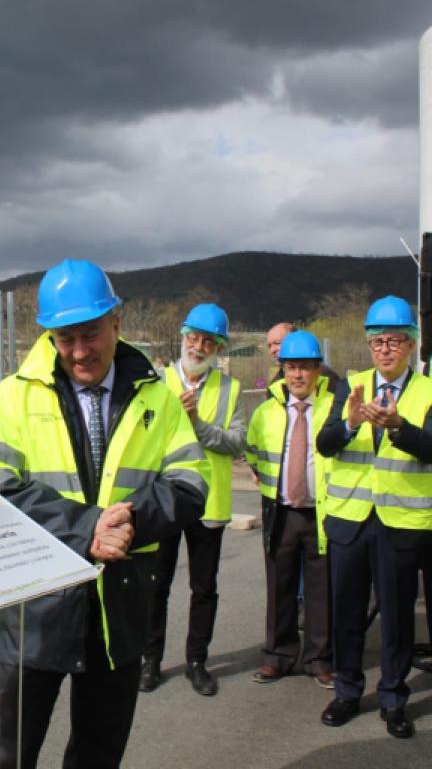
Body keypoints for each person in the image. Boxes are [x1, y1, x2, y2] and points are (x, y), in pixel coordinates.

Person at [0, 259, 210, 769]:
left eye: (90, 334)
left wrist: (129, 522)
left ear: (116, 322)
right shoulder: (13, 397)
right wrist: (85, 529)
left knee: (98, 755)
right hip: (31, 608)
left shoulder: (158, 399)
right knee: (7, 757)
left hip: (117, 606)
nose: (79, 351)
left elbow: (191, 483)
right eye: (65, 338)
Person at [317, 295, 432, 739]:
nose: (384, 349)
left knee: (398, 617)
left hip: (401, 524)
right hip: (351, 521)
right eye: (377, 341)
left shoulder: (426, 391)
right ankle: (347, 691)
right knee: (346, 611)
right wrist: (347, 425)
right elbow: (326, 444)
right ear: (368, 345)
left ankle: (393, 698)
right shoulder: (351, 384)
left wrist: (399, 428)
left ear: (411, 346)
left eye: (394, 341)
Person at [139, 303, 245, 696]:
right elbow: (141, 438)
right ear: (183, 337)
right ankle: (150, 661)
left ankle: (197, 661)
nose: (198, 346)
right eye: (193, 338)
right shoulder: (156, 382)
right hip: (163, 498)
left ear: (219, 349)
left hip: (209, 502)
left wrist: (198, 425)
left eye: (208, 342)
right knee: (156, 584)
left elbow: (237, 441)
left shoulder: (230, 389)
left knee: (204, 588)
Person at [246, 330, 334, 689]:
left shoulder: (333, 408)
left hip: (321, 513)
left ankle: (319, 659)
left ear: (318, 371)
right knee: (279, 587)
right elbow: (253, 453)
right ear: (282, 369)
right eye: (291, 367)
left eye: (306, 368)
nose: (298, 375)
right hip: (280, 513)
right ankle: (278, 656)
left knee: (320, 590)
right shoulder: (265, 412)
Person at [267, 322, 340, 393]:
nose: (272, 350)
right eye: (269, 346)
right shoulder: (274, 386)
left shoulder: (325, 376)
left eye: (277, 343)